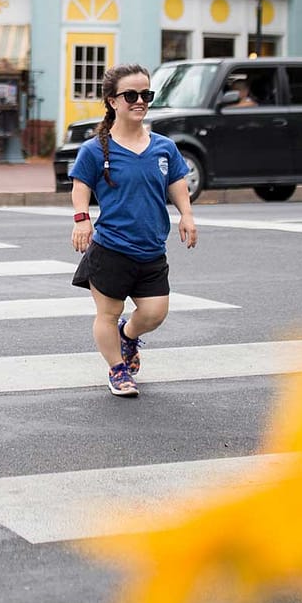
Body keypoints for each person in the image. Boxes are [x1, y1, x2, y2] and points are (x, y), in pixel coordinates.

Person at [69, 63, 199, 398]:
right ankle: (117, 370)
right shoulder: (95, 149)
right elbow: (81, 185)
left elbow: (178, 183)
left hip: (152, 248)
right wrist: (82, 218)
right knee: (108, 313)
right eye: (131, 95)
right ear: (113, 101)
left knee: (155, 312)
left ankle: (128, 338)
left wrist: (186, 215)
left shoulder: (163, 147)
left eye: (146, 94)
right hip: (111, 247)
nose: (140, 101)